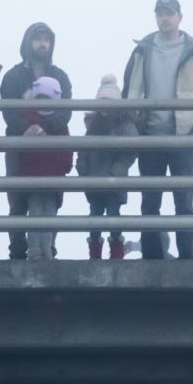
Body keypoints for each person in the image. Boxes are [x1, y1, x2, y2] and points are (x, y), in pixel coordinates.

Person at [121, 0, 193, 260]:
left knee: (184, 202)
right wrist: (136, 125)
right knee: (150, 202)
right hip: (148, 136)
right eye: (160, 13)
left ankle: (187, 259)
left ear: (179, 17)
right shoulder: (142, 49)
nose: (165, 18)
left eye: (170, 13)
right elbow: (129, 88)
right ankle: (150, 259)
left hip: (183, 139)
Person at [0, 22, 71, 261]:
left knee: (49, 200)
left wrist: (45, 128)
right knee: (18, 201)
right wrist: (26, 128)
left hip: (51, 148)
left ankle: (48, 250)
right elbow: (8, 112)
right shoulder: (13, 76)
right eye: (37, 38)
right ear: (28, 42)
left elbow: (66, 111)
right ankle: (18, 253)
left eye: (46, 39)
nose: (42, 43)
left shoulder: (61, 76)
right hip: (19, 149)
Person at [79, 74, 137, 260]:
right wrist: (82, 167)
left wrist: (116, 171)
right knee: (95, 216)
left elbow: (129, 152)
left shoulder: (126, 126)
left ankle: (116, 252)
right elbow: (84, 150)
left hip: (115, 181)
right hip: (94, 180)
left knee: (114, 215)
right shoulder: (92, 126)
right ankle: (95, 252)